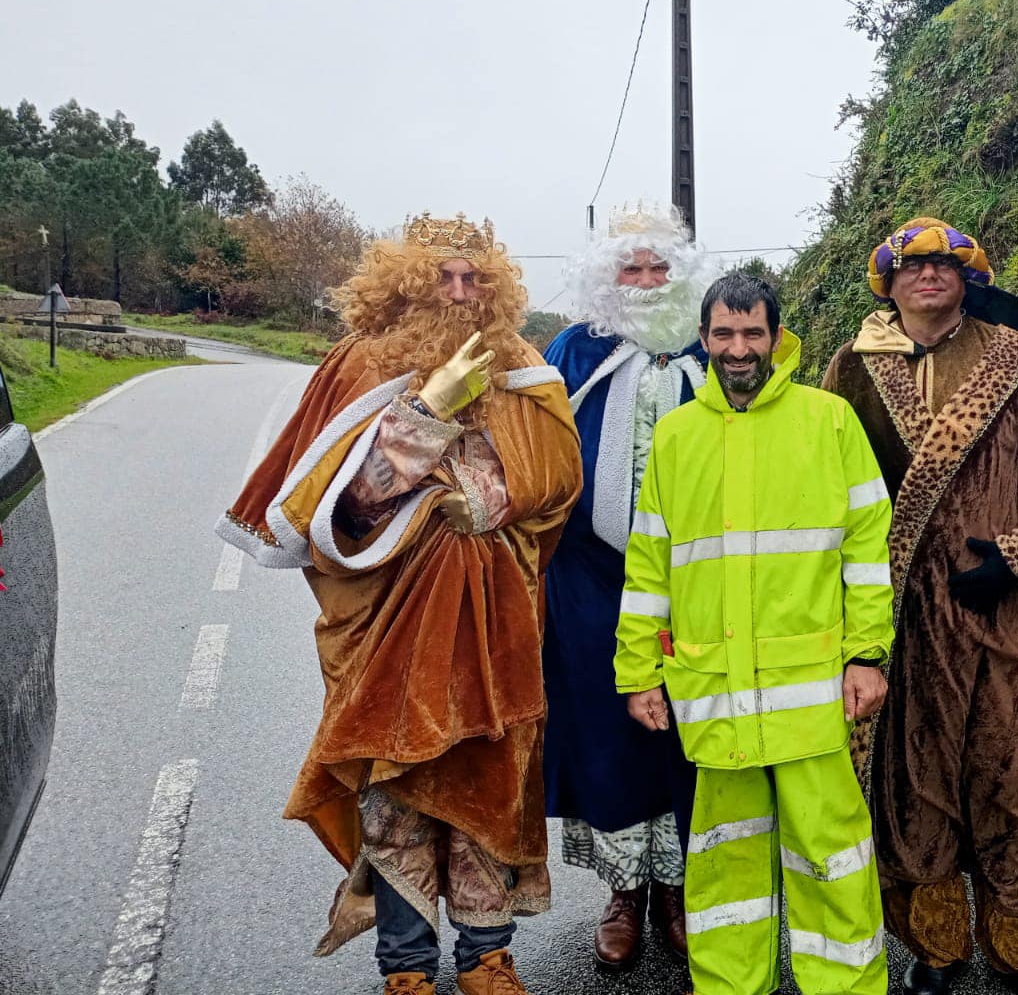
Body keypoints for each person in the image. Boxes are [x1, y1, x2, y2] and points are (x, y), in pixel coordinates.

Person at [217, 212, 583, 995]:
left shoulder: (522, 367)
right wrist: (426, 415)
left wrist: (488, 505)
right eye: (442, 276)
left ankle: (487, 953)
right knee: (395, 792)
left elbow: (558, 483)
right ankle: (407, 966)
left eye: (475, 278)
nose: (459, 292)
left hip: (497, 619)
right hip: (388, 621)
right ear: (408, 282)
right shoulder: (365, 362)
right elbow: (336, 512)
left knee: (490, 775)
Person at [822, 218, 1018, 995]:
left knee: (1012, 774)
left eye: (945, 262)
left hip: (1000, 611)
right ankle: (936, 946)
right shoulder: (851, 368)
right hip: (898, 610)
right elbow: (821, 488)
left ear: (968, 275)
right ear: (889, 281)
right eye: (912, 265)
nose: (929, 274)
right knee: (916, 777)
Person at [615, 273, 895, 995]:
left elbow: (868, 552)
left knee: (831, 860)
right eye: (723, 334)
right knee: (725, 868)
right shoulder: (678, 436)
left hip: (811, 695)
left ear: (776, 336)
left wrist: (868, 654)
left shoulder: (829, 421)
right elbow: (650, 562)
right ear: (704, 339)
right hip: (717, 691)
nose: (738, 348)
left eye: (752, 333)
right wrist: (638, 670)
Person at [540, 204, 713, 971]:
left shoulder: (715, 350)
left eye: (658, 269)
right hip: (589, 582)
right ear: (605, 280)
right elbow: (535, 456)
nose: (645, 282)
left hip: (695, 583)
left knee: (684, 728)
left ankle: (679, 890)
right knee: (608, 729)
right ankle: (625, 894)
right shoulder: (573, 353)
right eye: (629, 269)